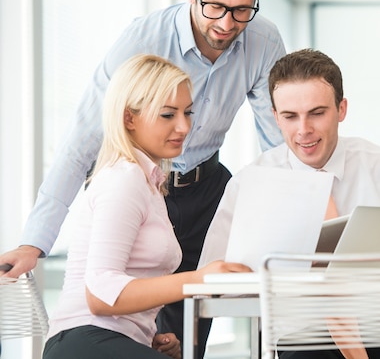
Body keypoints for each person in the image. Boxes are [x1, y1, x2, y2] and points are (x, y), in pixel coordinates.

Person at [0, 0, 285, 356]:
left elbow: (277, 139)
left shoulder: (263, 41)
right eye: (216, 7)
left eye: (242, 9)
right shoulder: (143, 39)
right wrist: (35, 242)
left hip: (207, 189)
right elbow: (83, 140)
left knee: (185, 342)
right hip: (149, 185)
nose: (227, 22)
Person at [199, 49, 380, 359]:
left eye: (317, 113)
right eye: (290, 116)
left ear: (341, 109)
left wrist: (377, 279)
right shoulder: (250, 183)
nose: (303, 129)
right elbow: (211, 282)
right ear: (275, 117)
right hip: (304, 338)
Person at [42, 54, 252, 359]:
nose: (183, 127)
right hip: (82, 342)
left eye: (188, 112)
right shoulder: (123, 179)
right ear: (129, 118)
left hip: (109, 338)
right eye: (168, 115)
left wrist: (147, 335)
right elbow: (100, 293)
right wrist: (197, 279)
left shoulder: (149, 184)